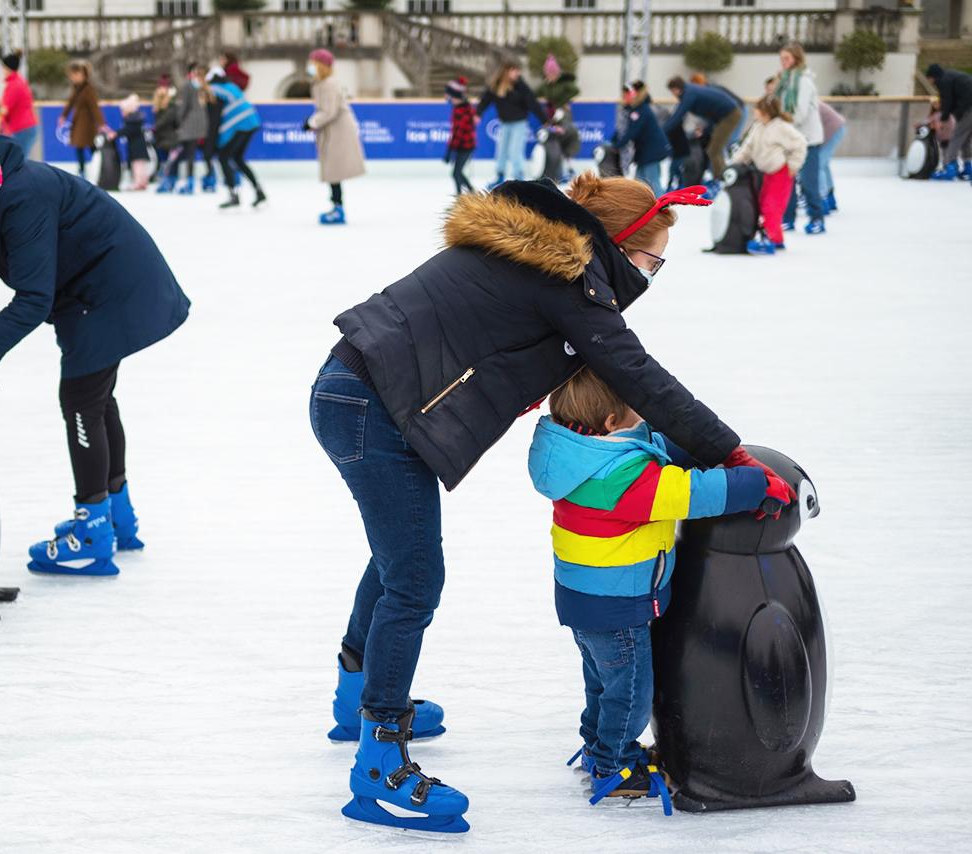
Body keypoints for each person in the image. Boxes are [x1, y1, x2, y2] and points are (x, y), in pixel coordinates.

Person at [310, 173, 794, 832]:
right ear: (620, 247)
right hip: (377, 410)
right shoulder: (570, 282)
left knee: (399, 562)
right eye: (652, 260)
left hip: (356, 389)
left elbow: (479, 330)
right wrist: (728, 453)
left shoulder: (527, 250)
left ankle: (356, 696)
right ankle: (378, 763)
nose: (651, 275)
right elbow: (641, 379)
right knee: (415, 579)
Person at [0, 120, 190, 573]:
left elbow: (32, 299)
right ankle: (115, 516)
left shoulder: (20, 198)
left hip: (113, 288)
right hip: (90, 290)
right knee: (96, 399)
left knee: (82, 399)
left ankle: (93, 530)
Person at [527, 368, 776, 809]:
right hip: (619, 604)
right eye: (633, 408)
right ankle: (614, 766)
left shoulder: (573, 456)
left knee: (603, 684)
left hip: (582, 597)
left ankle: (597, 747)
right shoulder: (623, 478)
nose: (643, 414)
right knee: (631, 692)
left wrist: (701, 446)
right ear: (609, 422)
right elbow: (690, 493)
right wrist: (754, 484)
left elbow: (651, 444)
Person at [729, 94, 807, 255]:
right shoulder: (758, 126)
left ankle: (774, 240)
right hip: (764, 174)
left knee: (771, 207)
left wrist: (794, 165)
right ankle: (771, 237)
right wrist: (735, 164)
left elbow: (800, 143)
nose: (754, 111)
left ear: (766, 111)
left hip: (781, 173)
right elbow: (747, 148)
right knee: (762, 204)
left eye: (757, 108)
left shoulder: (781, 127)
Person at [304, 48, 365, 225]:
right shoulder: (322, 83)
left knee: (333, 170)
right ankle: (337, 206)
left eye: (313, 63)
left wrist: (311, 122)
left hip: (338, 131)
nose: (310, 66)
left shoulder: (329, 83)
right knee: (332, 171)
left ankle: (338, 209)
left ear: (321, 65)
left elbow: (329, 111)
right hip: (332, 130)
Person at [774, 42, 826, 234]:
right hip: (790, 140)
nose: (783, 62)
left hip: (808, 139)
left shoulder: (803, 81)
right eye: (781, 59)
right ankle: (788, 218)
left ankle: (817, 219)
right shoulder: (786, 80)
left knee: (808, 182)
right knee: (787, 181)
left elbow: (800, 112)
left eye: (787, 58)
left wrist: (783, 126)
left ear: (796, 58)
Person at [663, 75, 742, 194]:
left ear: (676, 89)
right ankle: (720, 178)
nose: (673, 95)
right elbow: (711, 112)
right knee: (712, 148)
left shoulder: (689, 94)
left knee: (714, 149)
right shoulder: (690, 91)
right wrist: (705, 130)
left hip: (730, 115)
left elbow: (678, 116)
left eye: (672, 92)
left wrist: (662, 132)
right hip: (722, 116)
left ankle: (721, 181)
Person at [476, 61, 549, 189]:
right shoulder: (496, 86)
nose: (517, 73)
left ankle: (519, 178)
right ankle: (499, 175)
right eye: (514, 70)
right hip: (504, 124)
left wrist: (544, 120)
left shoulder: (521, 86)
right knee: (501, 150)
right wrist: (478, 114)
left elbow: (533, 103)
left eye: (518, 70)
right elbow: (485, 100)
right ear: (506, 71)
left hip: (519, 124)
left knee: (516, 151)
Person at [207, 68, 264, 209]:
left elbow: (215, 118)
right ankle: (259, 191)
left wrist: (212, 143)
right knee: (237, 158)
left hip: (241, 124)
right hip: (251, 121)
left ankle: (234, 195)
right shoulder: (231, 86)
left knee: (224, 157)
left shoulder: (213, 89)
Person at [610, 80, 670, 196]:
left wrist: (617, 145)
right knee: (639, 183)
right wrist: (614, 141)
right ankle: (642, 207)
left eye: (627, 94)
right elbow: (622, 129)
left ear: (634, 94)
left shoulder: (641, 110)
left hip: (652, 152)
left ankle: (664, 208)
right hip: (645, 152)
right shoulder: (634, 109)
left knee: (652, 181)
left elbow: (632, 132)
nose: (624, 97)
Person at [161, 64, 207, 195]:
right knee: (189, 153)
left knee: (179, 153)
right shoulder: (202, 86)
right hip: (199, 125)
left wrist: (179, 121)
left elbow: (184, 106)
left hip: (188, 126)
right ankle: (187, 181)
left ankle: (173, 179)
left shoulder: (189, 85)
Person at [924, 63, 972, 180]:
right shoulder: (950, 76)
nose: (930, 81)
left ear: (933, 76)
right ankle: (968, 167)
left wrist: (943, 118)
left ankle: (950, 168)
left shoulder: (943, 81)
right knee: (965, 138)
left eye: (929, 78)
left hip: (969, 107)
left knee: (956, 137)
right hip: (967, 105)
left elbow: (947, 101)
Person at [60, 59, 106, 178]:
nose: (74, 77)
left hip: (87, 123)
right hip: (79, 121)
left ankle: (99, 166)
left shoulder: (88, 89)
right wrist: (63, 116)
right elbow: (70, 103)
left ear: (84, 75)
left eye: (77, 74)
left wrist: (101, 123)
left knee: (88, 146)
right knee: (80, 146)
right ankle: (83, 169)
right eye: (73, 75)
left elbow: (94, 107)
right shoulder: (77, 88)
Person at [0, 51, 37, 157]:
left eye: (3, 67)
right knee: (20, 160)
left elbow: (4, 110)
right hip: (25, 127)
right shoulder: (18, 81)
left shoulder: (14, 85)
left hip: (22, 128)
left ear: (7, 68)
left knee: (19, 162)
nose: (2, 70)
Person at [443, 76, 476, 195]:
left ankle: (462, 196)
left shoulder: (462, 111)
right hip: (463, 146)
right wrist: (451, 149)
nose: (447, 98)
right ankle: (468, 194)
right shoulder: (459, 108)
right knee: (457, 173)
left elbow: (458, 132)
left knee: (456, 173)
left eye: (449, 96)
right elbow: (456, 132)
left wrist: (450, 150)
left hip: (466, 146)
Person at [817, 100, 846, 212]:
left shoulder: (803, 100)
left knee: (818, 165)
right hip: (836, 128)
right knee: (823, 165)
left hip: (833, 129)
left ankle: (823, 200)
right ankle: (830, 199)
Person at [118, 94, 151, 191]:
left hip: (137, 148)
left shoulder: (133, 121)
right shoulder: (135, 120)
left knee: (138, 166)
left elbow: (127, 130)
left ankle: (139, 183)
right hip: (137, 147)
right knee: (139, 166)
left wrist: (117, 133)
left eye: (123, 110)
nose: (122, 113)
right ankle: (142, 182)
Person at [151, 78, 178, 179]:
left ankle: (170, 178)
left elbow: (169, 120)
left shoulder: (171, 106)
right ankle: (164, 177)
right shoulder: (157, 106)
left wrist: (155, 127)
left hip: (169, 139)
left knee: (170, 162)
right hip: (160, 139)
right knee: (162, 160)